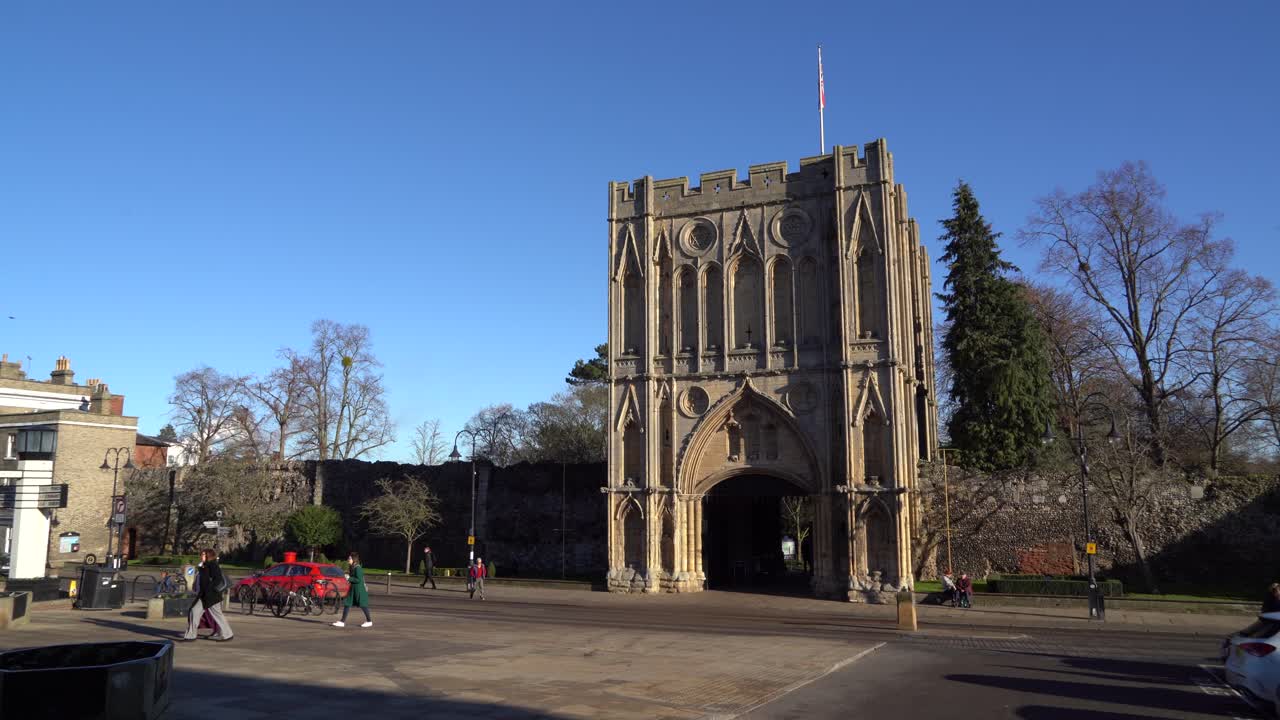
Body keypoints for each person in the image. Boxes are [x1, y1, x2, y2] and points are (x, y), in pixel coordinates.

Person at [183, 549, 233, 642]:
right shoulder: (204, 565)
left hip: (212, 596)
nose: (201, 556)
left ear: (208, 556)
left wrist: (209, 589)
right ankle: (190, 636)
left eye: (203, 554)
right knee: (194, 611)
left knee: (217, 615)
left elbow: (217, 579)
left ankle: (228, 634)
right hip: (203, 595)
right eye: (201, 554)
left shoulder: (213, 565)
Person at [333, 552, 372, 628]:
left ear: (354, 559)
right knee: (347, 604)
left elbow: (359, 580)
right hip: (353, 590)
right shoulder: (353, 567)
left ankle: (369, 621)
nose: (348, 559)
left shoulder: (358, 568)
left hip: (359, 591)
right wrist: (349, 579)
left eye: (350, 558)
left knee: (363, 605)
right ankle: (342, 621)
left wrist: (349, 578)